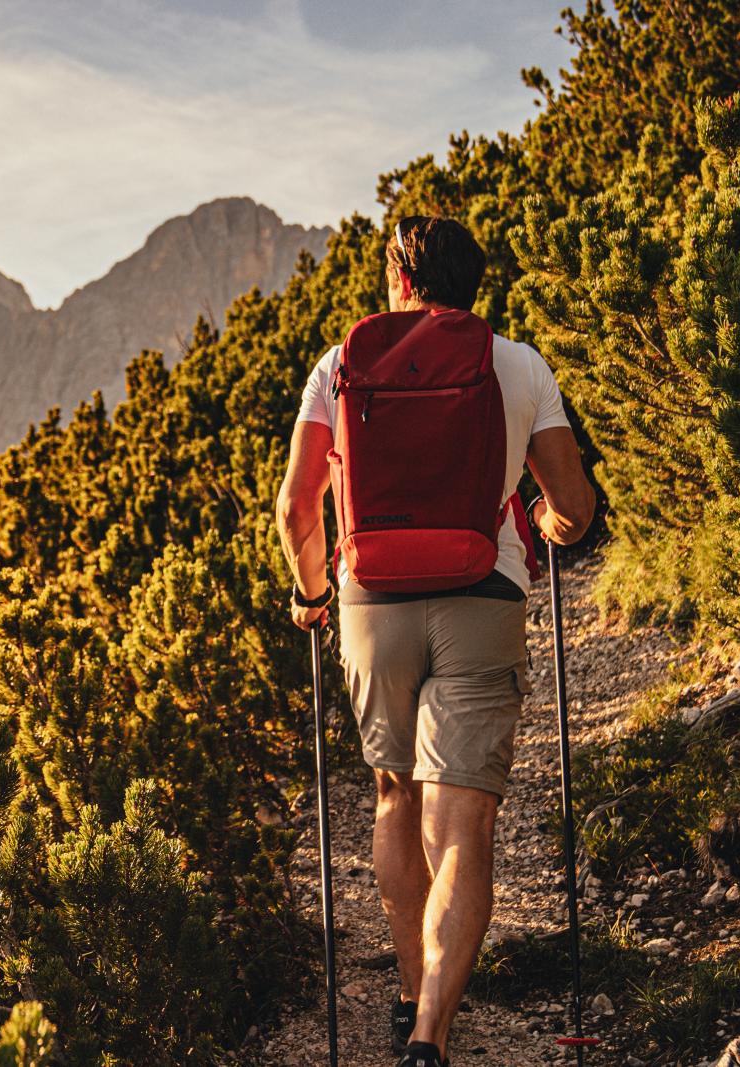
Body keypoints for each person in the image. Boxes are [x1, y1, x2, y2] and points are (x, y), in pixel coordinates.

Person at [275, 216, 596, 1066]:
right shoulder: (519, 362)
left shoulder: (338, 365)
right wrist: (550, 522)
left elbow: (296, 507)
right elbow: (574, 502)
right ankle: (430, 1037)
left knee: (394, 798)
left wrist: (313, 593)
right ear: (472, 284)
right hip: (482, 593)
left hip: (370, 600)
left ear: (398, 280)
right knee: (464, 820)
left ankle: (414, 987)